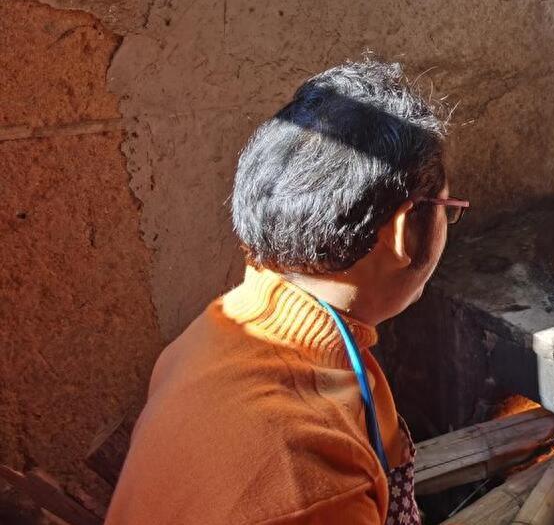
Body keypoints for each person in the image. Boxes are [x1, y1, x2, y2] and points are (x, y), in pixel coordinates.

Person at [108, 59, 467, 524]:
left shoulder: (217, 330)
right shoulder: (311, 484)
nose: (449, 221)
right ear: (400, 232)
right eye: (447, 209)